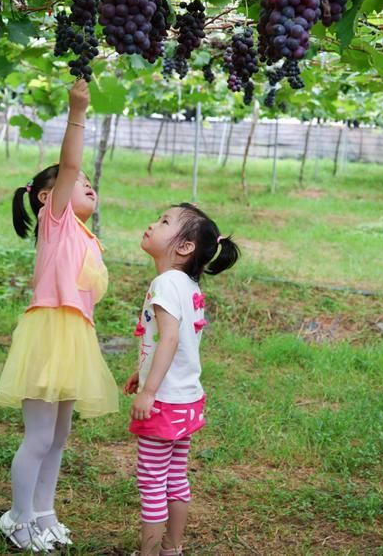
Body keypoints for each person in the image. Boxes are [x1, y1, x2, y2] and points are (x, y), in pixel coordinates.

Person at [0, 79, 118, 552]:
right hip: (49, 333)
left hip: (74, 338)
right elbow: (69, 163)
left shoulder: (87, 237)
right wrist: (77, 110)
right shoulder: (58, 220)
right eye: (77, 183)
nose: (87, 184)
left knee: (60, 436)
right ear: (49, 197)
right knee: (40, 435)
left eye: (90, 185)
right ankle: (18, 516)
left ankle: (44, 512)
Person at [124, 203, 240, 556]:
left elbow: (170, 338)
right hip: (187, 401)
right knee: (176, 478)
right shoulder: (187, 285)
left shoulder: (164, 284)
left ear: (185, 246)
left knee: (152, 483)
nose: (152, 223)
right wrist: (140, 373)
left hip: (163, 403)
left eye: (163, 222)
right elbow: (177, 342)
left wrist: (150, 390)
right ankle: (171, 549)